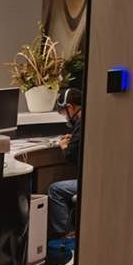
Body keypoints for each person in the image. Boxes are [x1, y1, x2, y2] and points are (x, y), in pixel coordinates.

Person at [48, 87, 82, 238]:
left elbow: (72, 156)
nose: (65, 117)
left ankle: (68, 235)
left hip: (90, 182)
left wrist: (64, 147)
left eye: (63, 112)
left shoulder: (80, 125)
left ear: (70, 107)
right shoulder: (88, 121)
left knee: (55, 190)